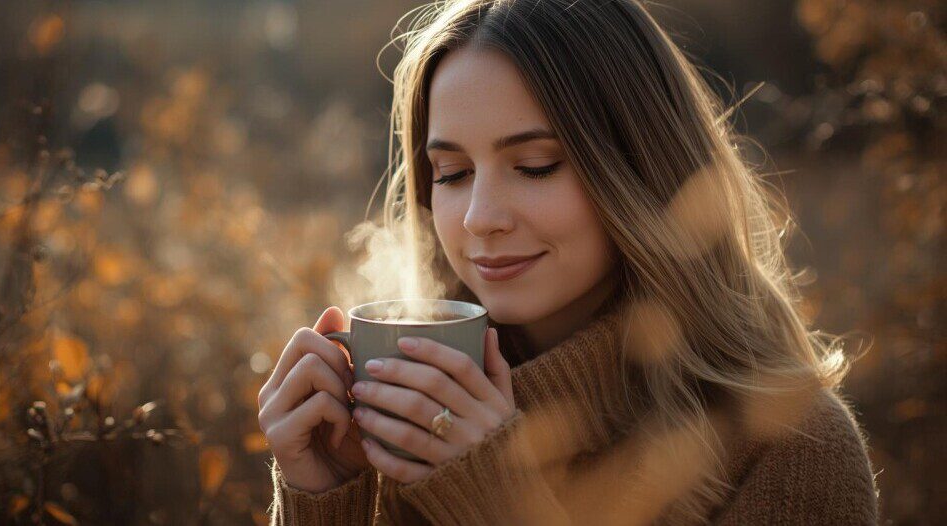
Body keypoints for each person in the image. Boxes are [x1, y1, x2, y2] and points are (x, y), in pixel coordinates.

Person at [256, 0, 880, 524]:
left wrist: (501, 501)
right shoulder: (399, 432)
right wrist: (326, 499)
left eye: (535, 166)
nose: (478, 217)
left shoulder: (792, 447)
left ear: (641, 169)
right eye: (451, 173)